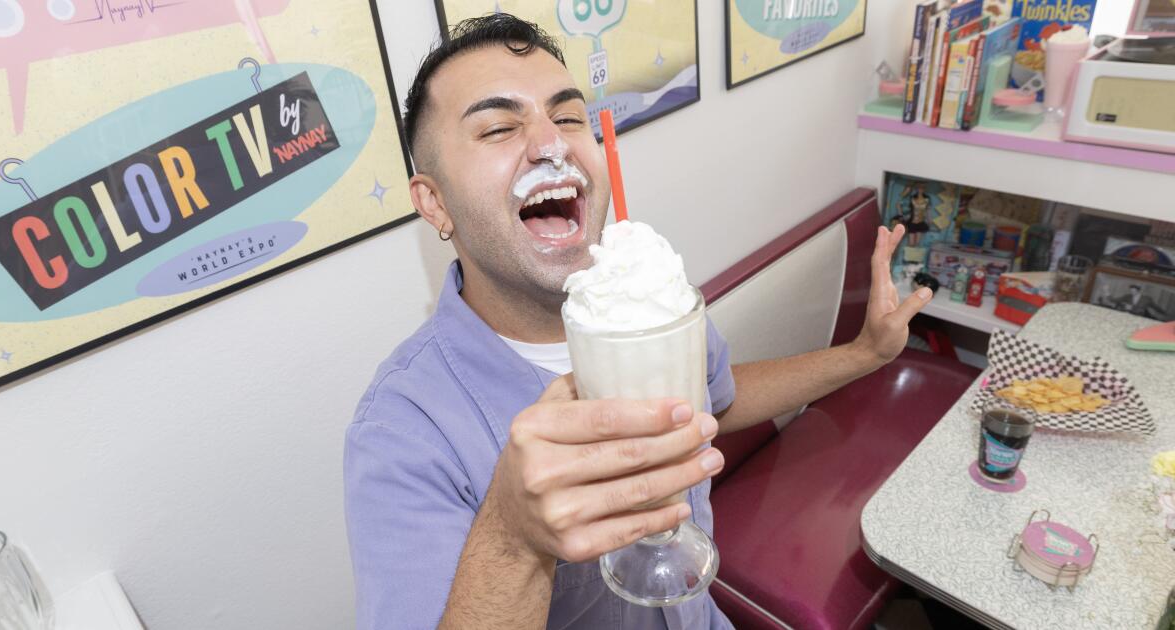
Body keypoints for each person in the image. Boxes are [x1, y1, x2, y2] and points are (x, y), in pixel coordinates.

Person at [343, 14, 933, 630]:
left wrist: (864, 353)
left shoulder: (658, 304)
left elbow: (718, 402)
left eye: (568, 117)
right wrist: (515, 539)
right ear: (434, 201)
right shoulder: (401, 433)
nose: (551, 144)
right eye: (498, 127)